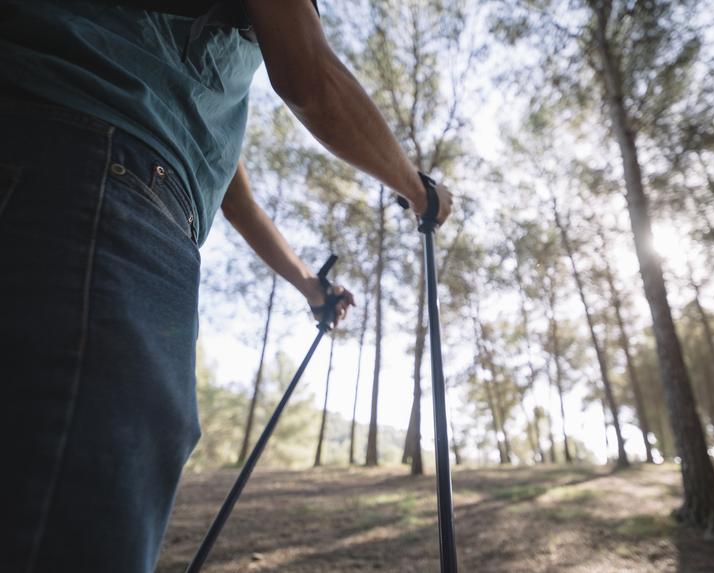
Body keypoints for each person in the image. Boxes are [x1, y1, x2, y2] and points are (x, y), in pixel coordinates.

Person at [0, 1, 453, 571]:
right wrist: (419, 191)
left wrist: (311, 286)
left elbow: (231, 190)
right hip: (98, 179)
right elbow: (310, 77)